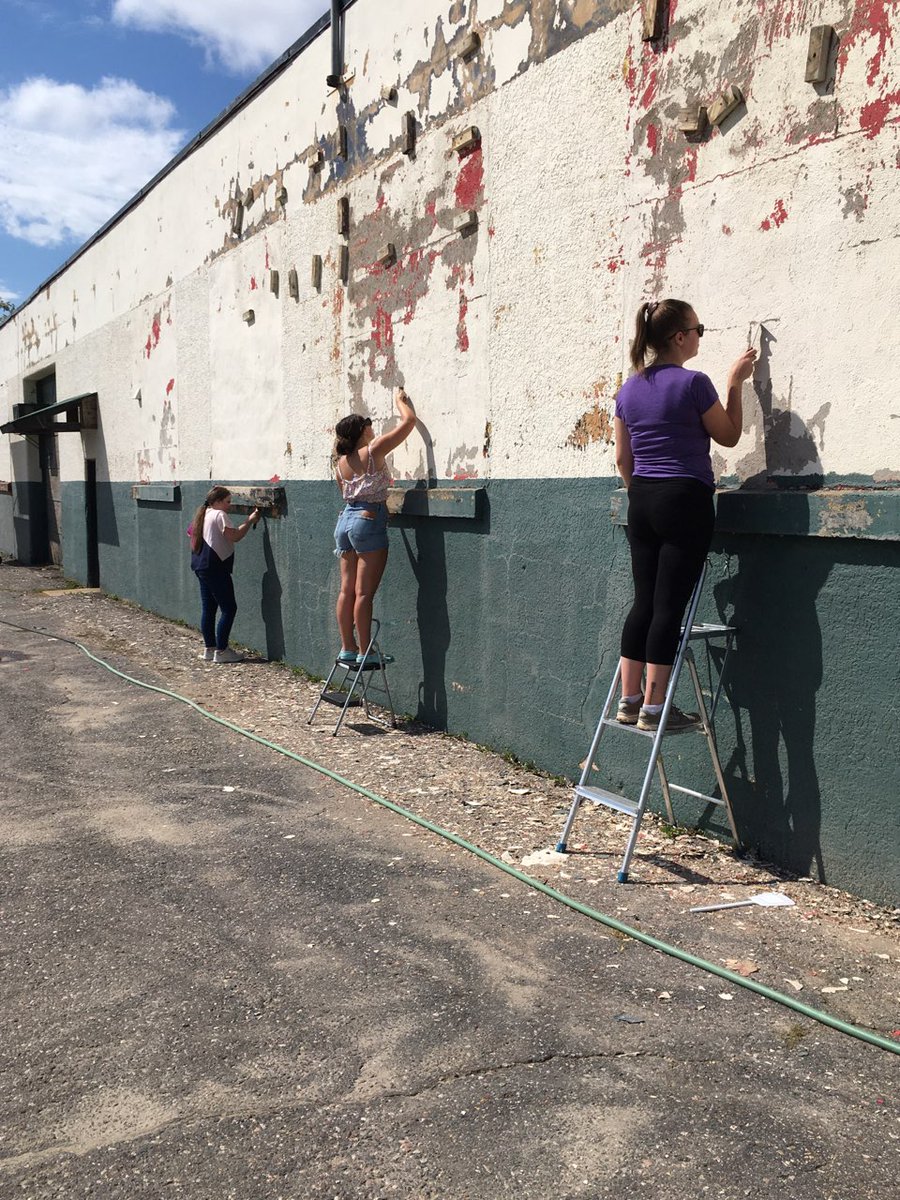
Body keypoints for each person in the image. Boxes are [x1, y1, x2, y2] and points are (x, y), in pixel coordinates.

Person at [614, 299, 756, 731]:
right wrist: (735, 383)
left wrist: (643, 494)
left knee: (643, 602)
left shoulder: (628, 388)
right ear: (680, 337)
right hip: (684, 499)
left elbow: (623, 458)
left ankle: (629, 701)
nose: (699, 336)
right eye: (698, 330)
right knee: (668, 608)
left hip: (641, 500)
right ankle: (656, 711)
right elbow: (729, 436)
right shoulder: (694, 383)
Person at [333, 387, 416, 666]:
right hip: (368, 520)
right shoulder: (374, 449)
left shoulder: (340, 464)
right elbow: (409, 424)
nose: (372, 427)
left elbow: (346, 494)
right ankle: (366, 650)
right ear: (361, 431)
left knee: (346, 590)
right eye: (368, 424)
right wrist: (401, 403)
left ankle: (348, 646)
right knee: (364, 593)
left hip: (345, 522)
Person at [189, 486, 260, 663]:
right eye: (227, 502)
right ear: (218, 501)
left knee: (209, 608)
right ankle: (222, 651)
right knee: (229, 608)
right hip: (215, 567)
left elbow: (191, 535)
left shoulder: (203, 514)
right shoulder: (219, 515)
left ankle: (209, 648)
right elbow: (234, 536)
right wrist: (249, 521)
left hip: (201, 565)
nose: (229, 505)